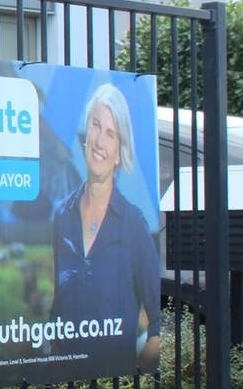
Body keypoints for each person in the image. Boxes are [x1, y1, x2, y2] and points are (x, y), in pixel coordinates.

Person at [49, 82, 161, 373]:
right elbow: (57, 303)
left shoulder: (134, 224)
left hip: (115, 387)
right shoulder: (62, 215)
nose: (100, 141)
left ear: (119, 150)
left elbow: (157, 327)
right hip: (65, 384)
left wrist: (138, 368)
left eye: (111, 133)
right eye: (96, 126)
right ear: (86, 133)